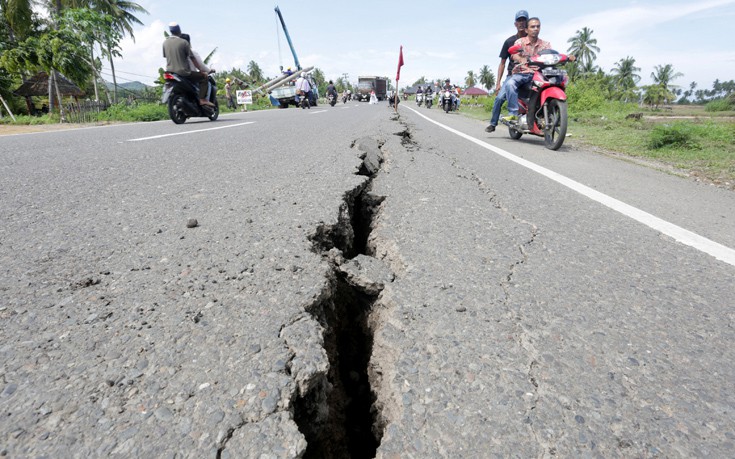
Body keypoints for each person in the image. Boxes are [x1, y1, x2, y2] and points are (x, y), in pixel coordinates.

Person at [501, 17, 555, 123]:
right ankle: (513, 114)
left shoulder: (546, 44)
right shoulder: (520, 42)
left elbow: (551, 55)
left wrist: (567, 57)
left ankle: (550, 113)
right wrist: (521, 58)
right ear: (526, 30)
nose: (535, 29)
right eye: (532, 26)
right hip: (523, 73)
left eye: (537, 26)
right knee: (510, 84)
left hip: (540, 74)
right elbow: (514, 55)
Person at [486, 9, 528, 133]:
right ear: (515, 24)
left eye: (523, 20)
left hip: (529, 74)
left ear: (527, 23)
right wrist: (498, 83)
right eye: (519, 20)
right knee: (499, 99)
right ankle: (493, 123)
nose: (521, 23)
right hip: (513, 75)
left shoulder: (532, 41)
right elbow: (502, 63)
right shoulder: (509, 41)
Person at [162, 22, 212, 107]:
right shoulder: (184, 42)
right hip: (184, 73)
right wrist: (201, 71)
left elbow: (166, 56)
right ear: (179, 30)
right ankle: (202, 99)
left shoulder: (165, 43)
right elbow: (192, 58)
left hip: (169, 72)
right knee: (204, 77)